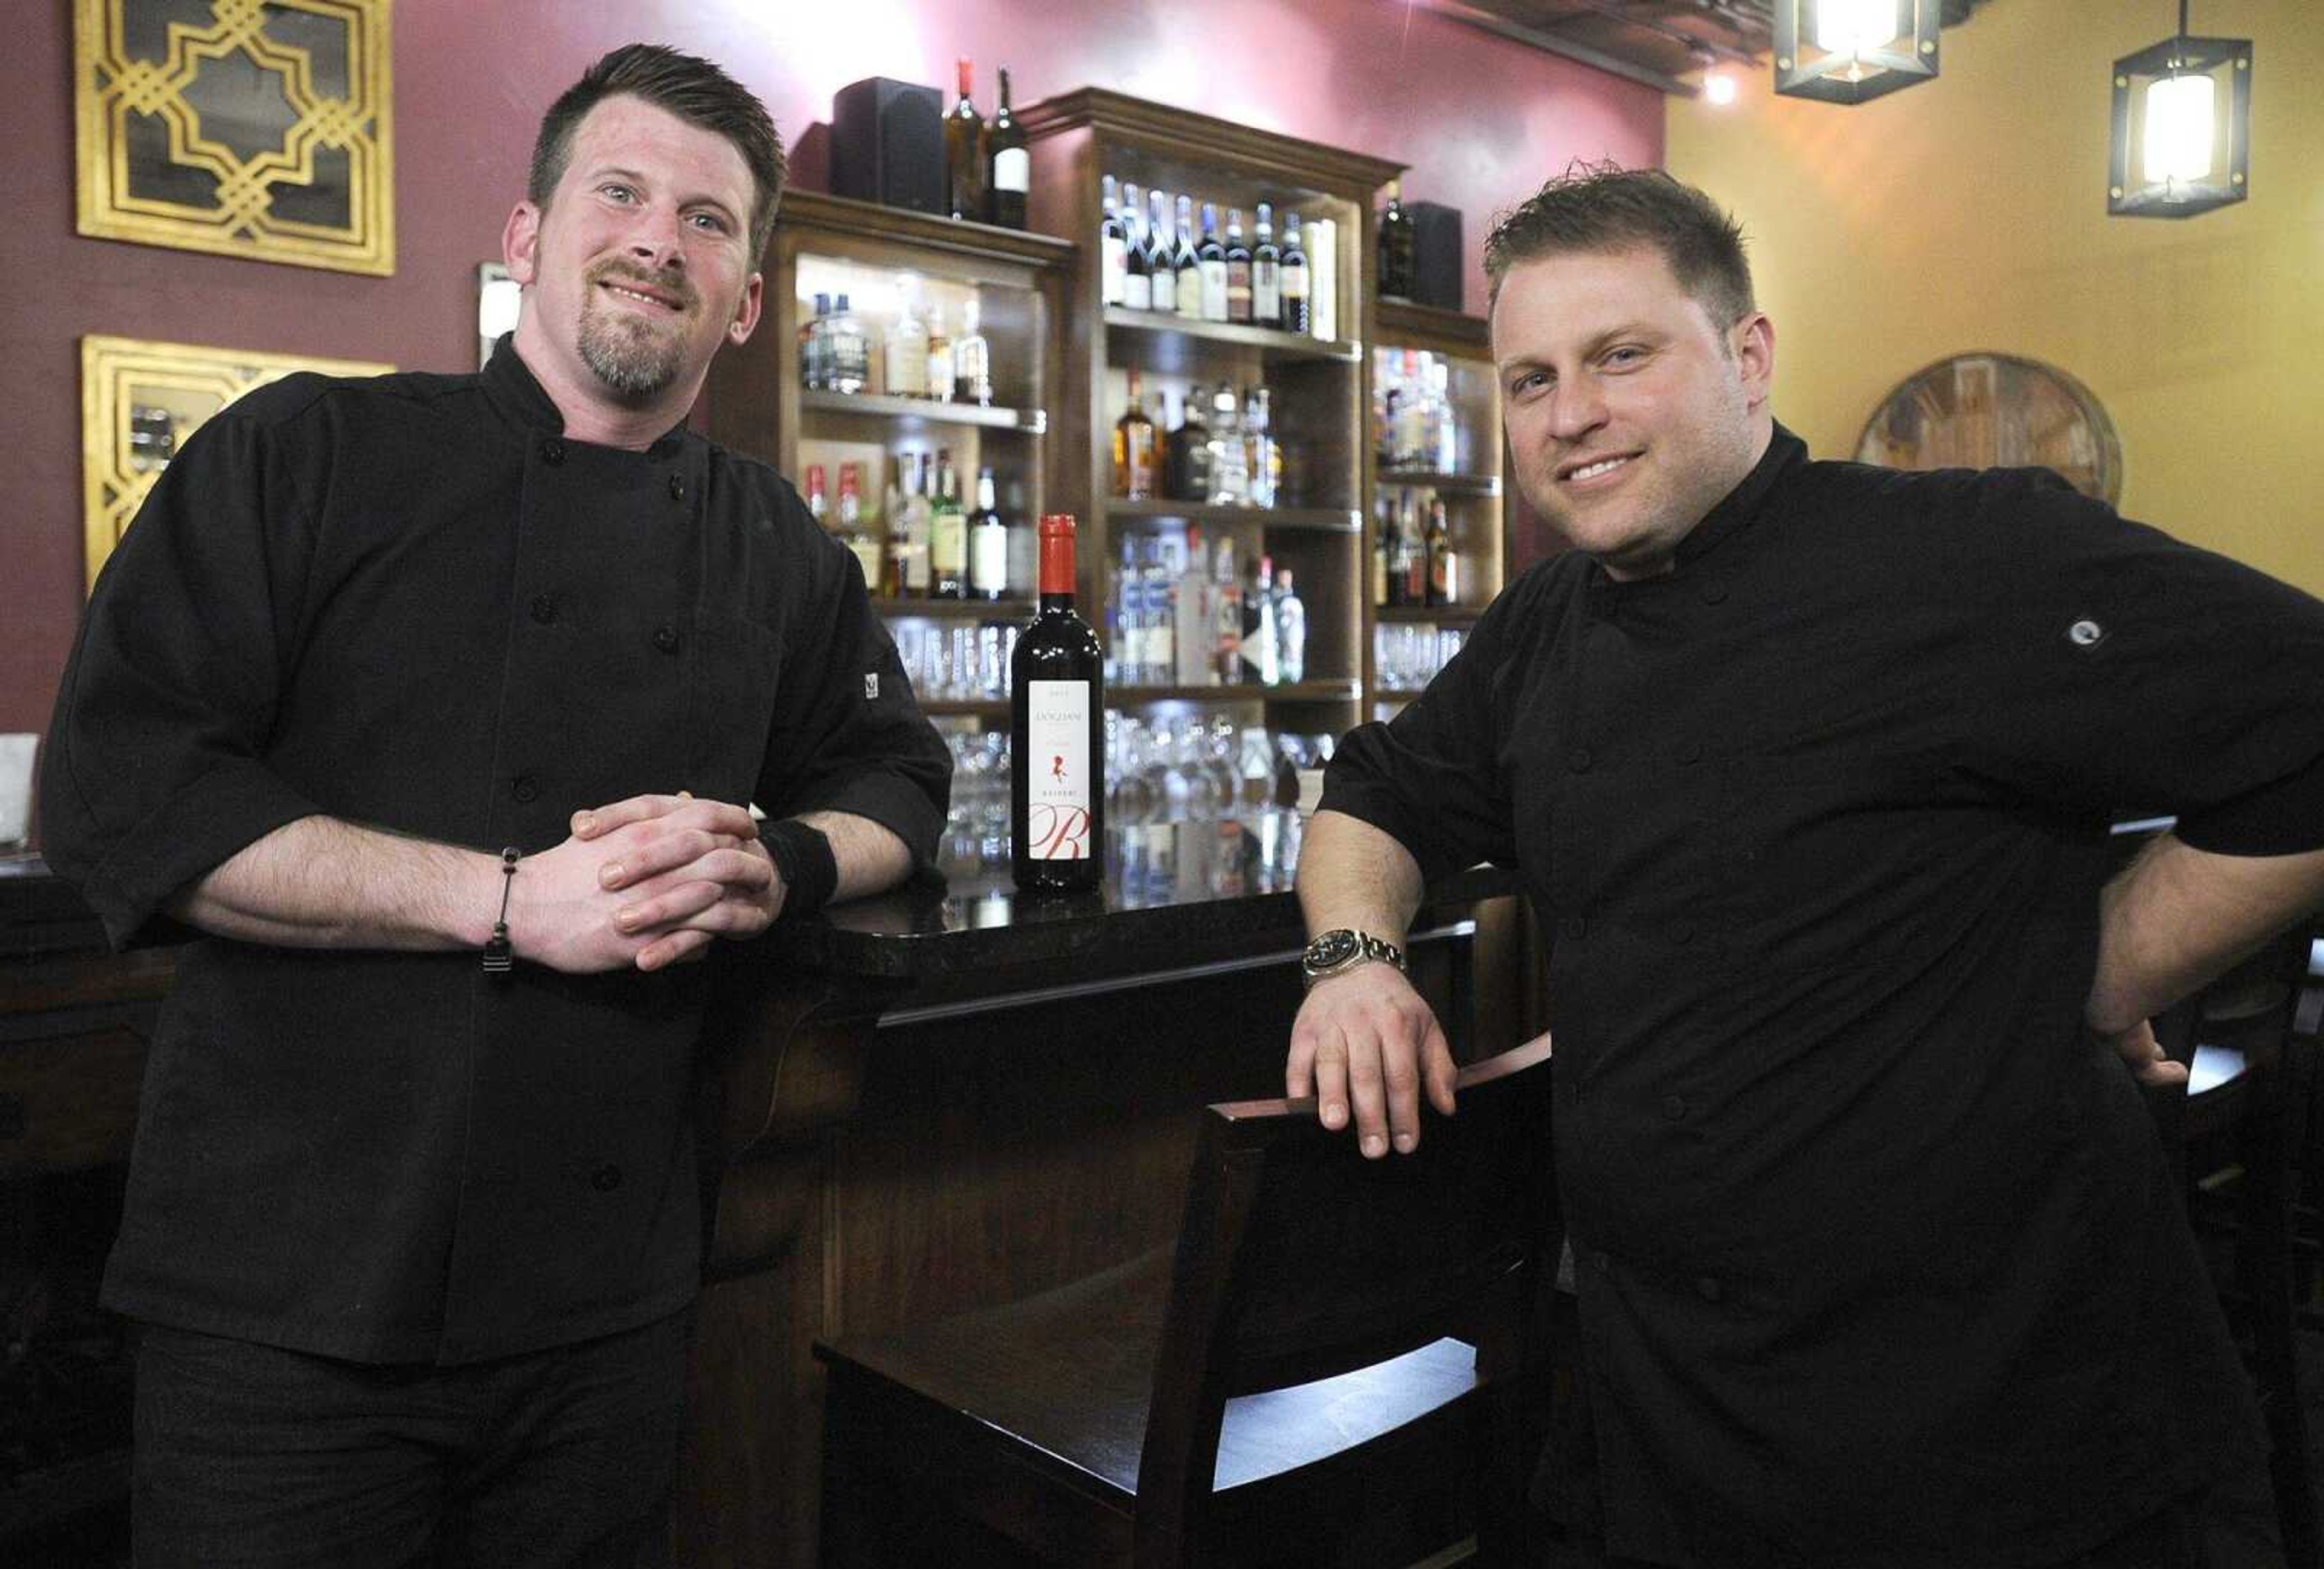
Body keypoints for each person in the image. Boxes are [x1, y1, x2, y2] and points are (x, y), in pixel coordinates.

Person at [1287, 165, 2324, 1568]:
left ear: (1749, 355)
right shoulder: (1544, 624)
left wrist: (2093, 969)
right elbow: (1377, 796)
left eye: (1621, 356)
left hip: (2012, 1444)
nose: (1570, 414)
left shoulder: (1962, 555)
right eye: (1529, 380)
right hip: (1678, 1427)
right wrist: (1354, 963)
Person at [39, 43, 950, 1567]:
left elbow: (899, 781)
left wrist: (777, 866)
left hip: (608, 1311)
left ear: (751, 298)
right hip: (290, 1307)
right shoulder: (304, 454)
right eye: (622, 191)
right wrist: (511, 898)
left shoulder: (776, 544)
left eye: (712, 222)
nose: (662, 239)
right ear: (527, 238)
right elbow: (126, 791)